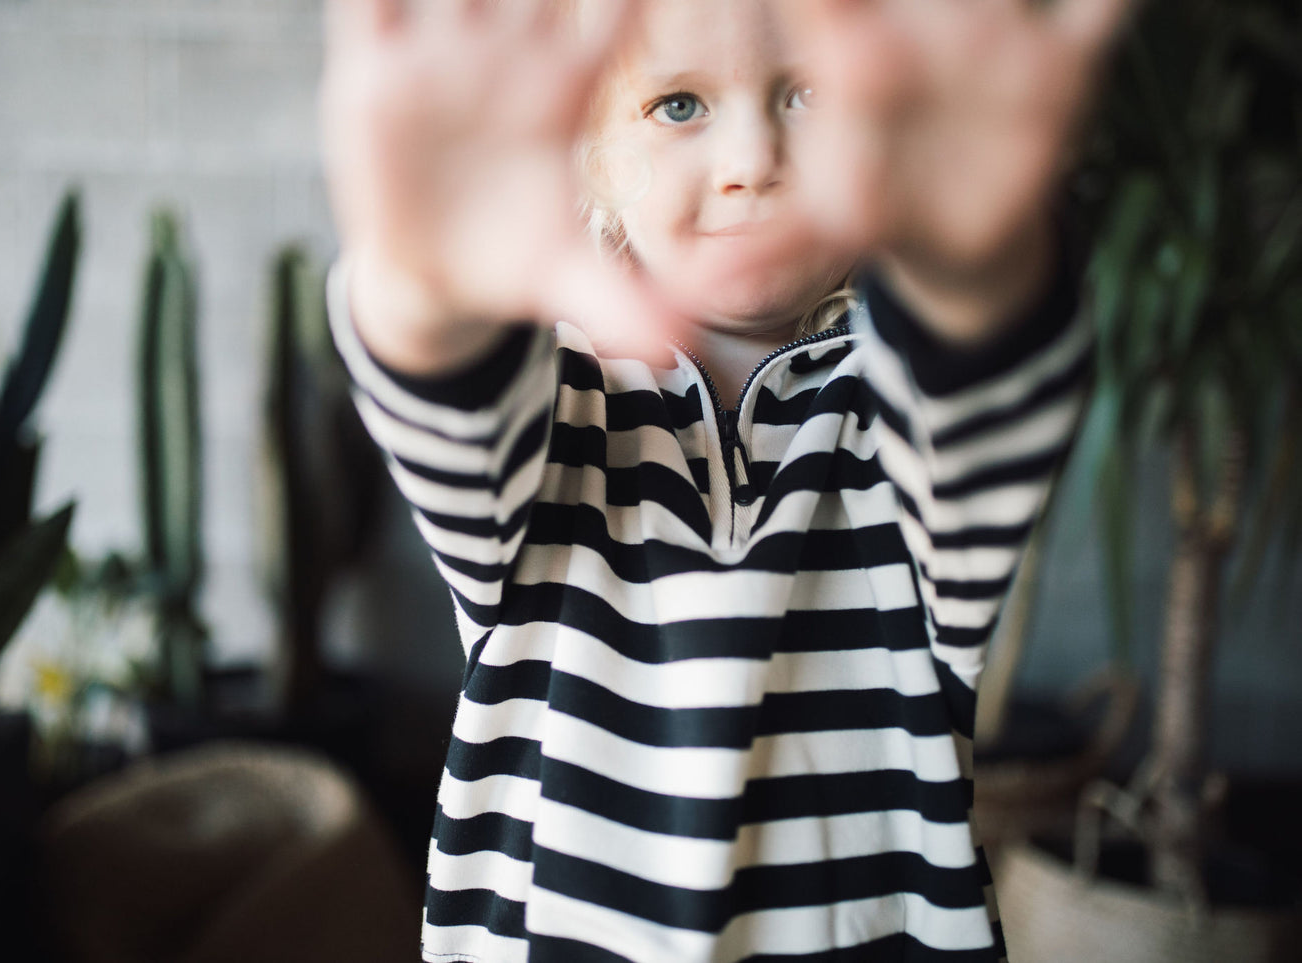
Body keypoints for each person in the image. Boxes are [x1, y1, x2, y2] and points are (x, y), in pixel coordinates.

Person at [317, 0, 1128, 959]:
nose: (751, 159)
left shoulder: (898, 415)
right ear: (592, 149)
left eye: (807, 93)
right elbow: (439, 380)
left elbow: (987, 378)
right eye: (678, 104)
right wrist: (425, 270)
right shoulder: (553, 407)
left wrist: (974, 254)